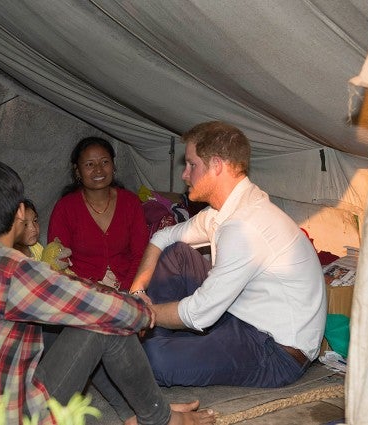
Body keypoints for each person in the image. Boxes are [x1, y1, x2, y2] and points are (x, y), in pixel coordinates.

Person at [0, 159, 214, 425]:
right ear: (20, 213)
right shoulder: (14, 271)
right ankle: (160, 418)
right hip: (5, 417)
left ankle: (134, 414)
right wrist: (143, 311)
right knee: (105, 321)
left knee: (77, 318)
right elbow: (105, 308)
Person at [129, 121, 327, 388]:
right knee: (176, 253)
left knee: (155, 360)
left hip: (278, 351)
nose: (185, 174)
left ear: (216, 165)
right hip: (239, 317)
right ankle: (156, 337)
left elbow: (199, 314)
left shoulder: (245, 226)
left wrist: (143, 313)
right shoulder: (223, 212)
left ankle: (154, 340)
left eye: (192, 165)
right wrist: (138, 292)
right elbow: (162, 238)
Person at [48, 137, 148, 292]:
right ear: (77, 171)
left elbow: (141, 255)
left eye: (105, 162)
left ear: (113, 166)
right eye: (89, 164)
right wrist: (93, 288)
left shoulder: (130, 202)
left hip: (130, 286)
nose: (99, 170)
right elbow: (57, 261)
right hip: (81, 289)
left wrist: (127, 291)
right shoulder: (65, 208)